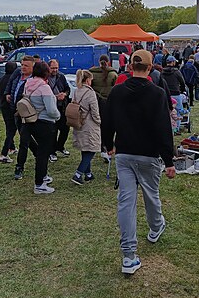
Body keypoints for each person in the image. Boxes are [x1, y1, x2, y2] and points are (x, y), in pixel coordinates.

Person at [102, 50, 176, 275]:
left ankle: (129, 255)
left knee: (126, 202)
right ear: (151, 67)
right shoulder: (157, 93)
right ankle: (155, 228)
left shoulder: (117, 91)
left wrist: (108, 144)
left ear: (130, 67)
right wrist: (169, 160)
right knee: (150, 194)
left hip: (124, 153)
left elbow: (107, 120)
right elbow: (164, 128)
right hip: (148, 155)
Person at [18, 62, 60, 194]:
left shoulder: (27, 84)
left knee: (40, 153)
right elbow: (52, 110)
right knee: (43, 154)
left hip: (30, 121)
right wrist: (58, 116)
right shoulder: (44, 88)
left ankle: (43, 176)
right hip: (45, 123)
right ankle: (39, 184)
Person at [5, 55, 38, 180]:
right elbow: (10, 84)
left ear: (32, 67)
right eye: (22, 65)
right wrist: (7, 94)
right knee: (26, 138)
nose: (23, 67)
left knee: (24, 141)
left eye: (26, 66)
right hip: (15, 112)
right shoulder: (17, 74)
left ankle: (19, 167)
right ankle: (39, 154)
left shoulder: (34, 80)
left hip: (27, 115)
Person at [70, 69, 101, 185]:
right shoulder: (90, 93)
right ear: (88, 80)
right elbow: (94, 110)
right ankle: (78, 174)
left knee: (85, 148)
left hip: (79, 122)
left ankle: (88, 173)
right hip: (90, 124)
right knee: (92, 149)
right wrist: (98, 121)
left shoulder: (77, 91)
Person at [90, 55, 118, 162]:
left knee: (99, 126)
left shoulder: (92, 73)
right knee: (108, 127)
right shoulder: (113, 74)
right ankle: (108, 147)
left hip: (96, 102)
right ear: (108, 62)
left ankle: (101, 147)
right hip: (108, 103)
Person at [48, 59, 71, 162]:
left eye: (56, 68)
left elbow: (67, 89)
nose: (55, 70)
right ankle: (51, 152)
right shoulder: (45, 78)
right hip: (52, 107)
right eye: (53, 68)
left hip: (62, 107)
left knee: (65, 129)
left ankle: (60, 147)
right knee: (53, 131)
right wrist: (55, 97)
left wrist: (64, 94)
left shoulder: (61, 76)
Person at [0, 61, 19, 163]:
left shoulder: (1, 79)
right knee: (12, 130)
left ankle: (12, 147)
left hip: (3, 106)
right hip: (11, 107)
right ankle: (4, 153)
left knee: (8, 127)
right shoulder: (13, 79)